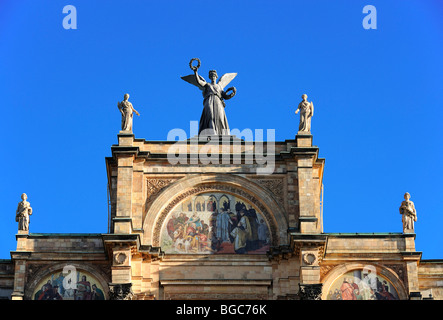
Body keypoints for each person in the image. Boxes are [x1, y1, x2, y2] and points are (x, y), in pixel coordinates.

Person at [192, 68, 236, 136]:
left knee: (220, 117)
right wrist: (195, 72)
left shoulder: (219, 86)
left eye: (214, 76)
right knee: (210, 116)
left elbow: (225, 96)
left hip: (218, 101)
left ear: (216, 77)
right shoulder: (207, 85)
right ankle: (212, 133)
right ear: (210, 77)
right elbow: (199, 82)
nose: (213, 77)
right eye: (211, 76)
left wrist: (232, 93)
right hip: (209, 100)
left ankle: (222, 134)